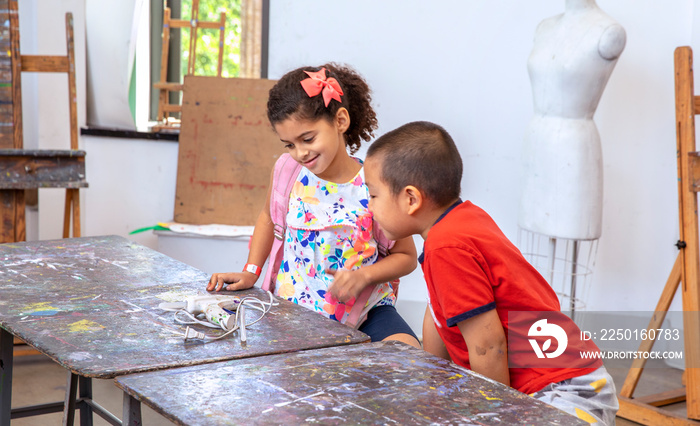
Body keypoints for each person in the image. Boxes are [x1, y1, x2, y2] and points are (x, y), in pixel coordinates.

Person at [364, 121, 618, 425]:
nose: (369, 206)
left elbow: (489, 345)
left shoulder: (448, 247)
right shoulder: (463, 221)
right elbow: (438, 315)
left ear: (411, 199)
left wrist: (494, 416)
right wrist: (433, 386)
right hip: (567, 379)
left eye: (374, 195)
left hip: (561, 393)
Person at [207, 63, 420, 348]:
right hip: (295, 312)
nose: (300, 153)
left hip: (367, 312)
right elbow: (268, 218)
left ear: (340, 121)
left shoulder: (376, 182)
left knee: (409, 358)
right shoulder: (287, 171)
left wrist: (363, 276)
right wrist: (251, 271)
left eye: (307, 139)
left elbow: (406, 256)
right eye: (289, 144)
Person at [519, 0, 626, 239]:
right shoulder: (544, 27)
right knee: (531, 251)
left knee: (574, 255)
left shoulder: (609, 31)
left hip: (574, 148)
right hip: (536, 143)